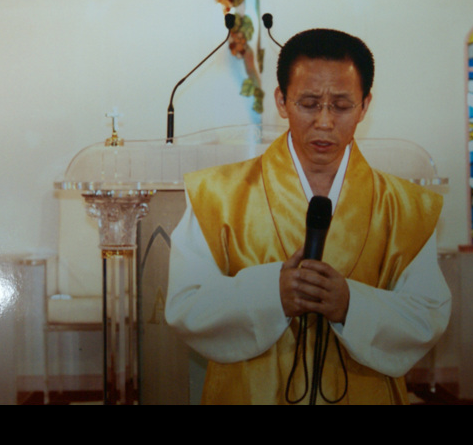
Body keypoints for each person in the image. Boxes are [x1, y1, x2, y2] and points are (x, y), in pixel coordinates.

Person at [165, 28, 451, 405]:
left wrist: (351, 305)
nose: (325, 122)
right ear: (282, 101)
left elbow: (427, 313)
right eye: (310, 103)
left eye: (342, 105)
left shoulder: (405, 208)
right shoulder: (218, 196)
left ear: (365, 105)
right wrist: (271, 294)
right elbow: (185, 304)